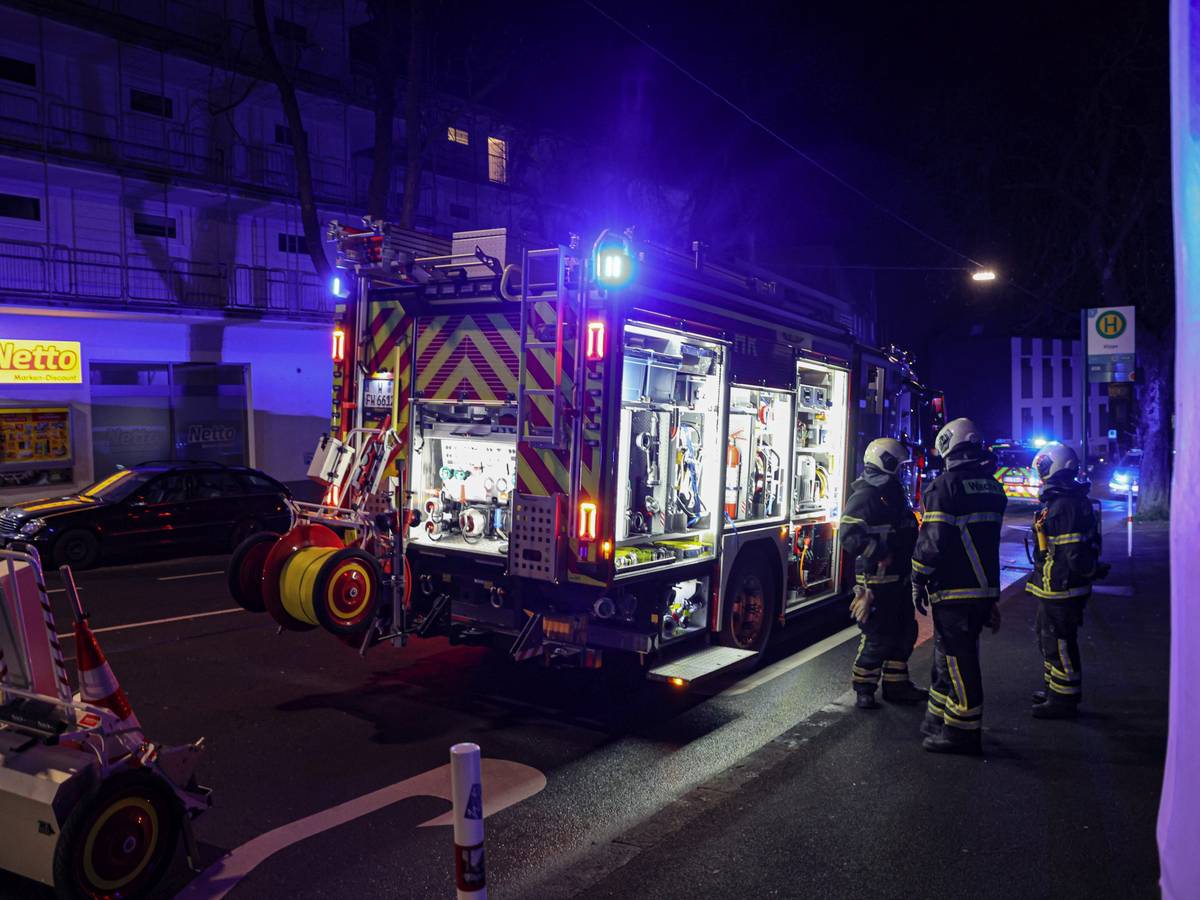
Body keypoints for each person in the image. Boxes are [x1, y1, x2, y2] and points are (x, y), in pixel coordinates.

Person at [911, 418, 1007, 755]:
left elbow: (933, 541)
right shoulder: (994, 488)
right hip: (983, 588)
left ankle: (962, 732)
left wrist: (918, 576)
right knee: (947, 656)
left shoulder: (944, 486)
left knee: (957, 658)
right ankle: (938, 718)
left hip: (953, 588)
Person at [1025, 442, 1108, 719]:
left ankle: (1064, 699)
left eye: (1044, 467)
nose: (1041, 473)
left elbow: (1072, 554)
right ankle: (1054, 688)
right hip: (1057, 586)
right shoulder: (1064, 501)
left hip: (1062, 587)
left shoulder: (1065, 505)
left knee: (1059, 640)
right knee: (1048, 637)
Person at [841, 438, 926, 709]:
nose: (903, 472)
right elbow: (848, 535)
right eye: (899, 466)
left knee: (904, 632)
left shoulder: (890, 492)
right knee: (877, 637)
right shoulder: (866, 494)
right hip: (875, 583)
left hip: (898, 579)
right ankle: (864, 687)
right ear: (887, 463)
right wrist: (879, 552)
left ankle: (896, 685)